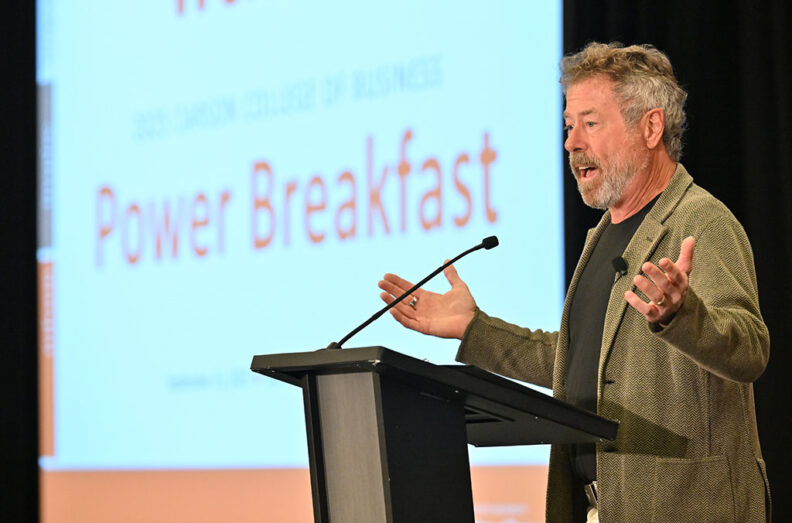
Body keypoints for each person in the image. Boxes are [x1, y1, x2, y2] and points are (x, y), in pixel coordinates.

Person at [378, 42, 771, 522]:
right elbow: (576, 363)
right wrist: (474, 329)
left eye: (590, 123)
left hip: (686, 507)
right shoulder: (603, 237)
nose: (571, 142)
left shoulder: (702, 222)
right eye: (569, 126)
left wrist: (682, 316)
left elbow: (749, 349)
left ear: (650, 127)